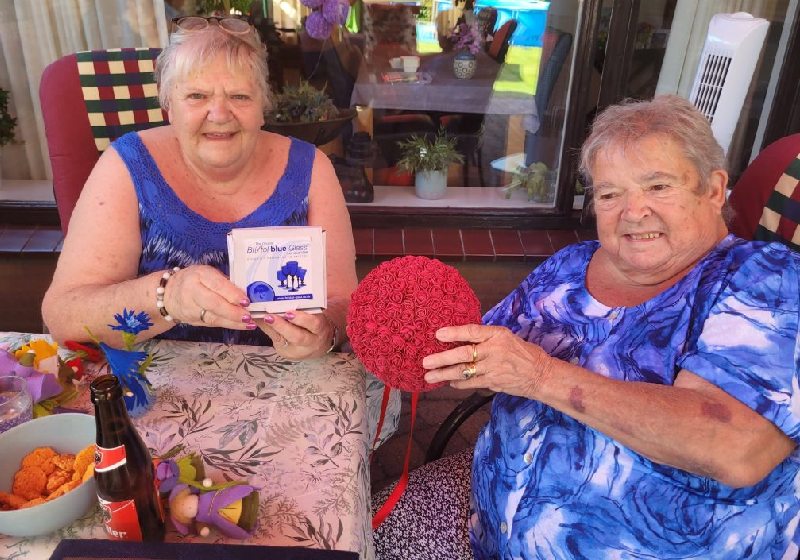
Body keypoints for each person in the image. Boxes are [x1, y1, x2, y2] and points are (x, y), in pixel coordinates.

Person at [373, 95, 800, 559]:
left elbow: (736, 448)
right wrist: (340, 332)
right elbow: (470, 348)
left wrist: (538, 376)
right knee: (353, 531)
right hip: (486, 529)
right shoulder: (571, 266)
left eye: (657, 187)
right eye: (609, 194)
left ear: (714, 190)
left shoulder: (763, 277)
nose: (633, 212)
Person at [41, 16, 356, 361]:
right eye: (196, 95)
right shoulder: (129, 166)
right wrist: (167, 297)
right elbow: (64, 316)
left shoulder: (310, 168)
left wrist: (326, 333)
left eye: (239, 95)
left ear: (263, 107)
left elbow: (345, 305)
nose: (219, 114)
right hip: (154, 391)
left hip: (291, 387)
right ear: (168, 106)